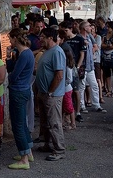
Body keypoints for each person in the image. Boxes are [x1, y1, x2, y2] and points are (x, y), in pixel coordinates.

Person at [35, 27, 67, 161]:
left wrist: (50, 91)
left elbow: (59, 75)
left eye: (43, 37)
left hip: (52, 95)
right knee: (45, 121)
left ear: (50, 38)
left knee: (54, 122)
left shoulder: (57, 52)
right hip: (44, 92)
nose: (40, 39)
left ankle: (59, 149)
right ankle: (48, 144)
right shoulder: (47, 51)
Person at [5, 28, 35, 169]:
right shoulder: (25, 53)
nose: (9, 41)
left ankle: (24, 159)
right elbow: (12, 69)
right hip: (24, 90)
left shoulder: (24, 55)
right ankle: (28, 152)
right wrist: (9, 58)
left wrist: (9, 78)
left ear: (15, 39)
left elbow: (13, 75)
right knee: (22, 122)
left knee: (18, 126)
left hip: (18, 91)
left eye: (10, 38)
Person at [59, 20, 86, 123]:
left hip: (74, 67)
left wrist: (77, 67)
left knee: (76, 90)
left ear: (70, 29)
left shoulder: (79, 39)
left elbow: (82, 54)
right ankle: (67, 113)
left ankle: (77, 112)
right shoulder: (63, 42)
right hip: (67, 67)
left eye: (66, 30)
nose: (64, 33)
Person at [78, 21, 106, 113]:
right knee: (82, 86)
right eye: (89, 26)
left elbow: (95, 46)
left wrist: (92, 50)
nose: (91, 28)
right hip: (83, 66)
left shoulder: (89, 36)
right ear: (84, 28)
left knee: (94, 85)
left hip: (90, 65)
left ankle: (96, 104)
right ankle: (82, 105)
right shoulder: (79, 38)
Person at [101, 21, 113, 98]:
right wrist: (108, 46)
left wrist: (106, 46)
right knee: (107, 74)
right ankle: (109, 90)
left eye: (108, 26)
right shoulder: (104, 35)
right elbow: (101, 45)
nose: (107, 28)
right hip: (105, 56)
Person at [62, 46, 76, 130]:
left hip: (66, 88)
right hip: (65, 88)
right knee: (64, 106)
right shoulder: (66, 65)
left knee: (69, 107)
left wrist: (63, 84)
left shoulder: (68, 66)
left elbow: (69, 79)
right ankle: (65, 121)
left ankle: (73, 123)